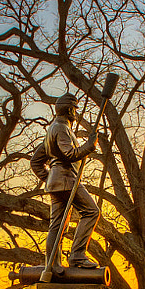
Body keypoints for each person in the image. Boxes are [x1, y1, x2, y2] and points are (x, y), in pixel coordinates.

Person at [30, 92, 100, 271]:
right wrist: (89, 146)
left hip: (58, 182)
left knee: (58, 224)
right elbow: (70, 154)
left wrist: (51, 180)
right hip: (67, 180)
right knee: (91, 211)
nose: (76, 113)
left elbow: (35, 161)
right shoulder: (61, 128)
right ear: (69, 109)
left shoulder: (52, 129)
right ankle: (77, 256)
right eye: (75, 109)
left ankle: (52, 265)